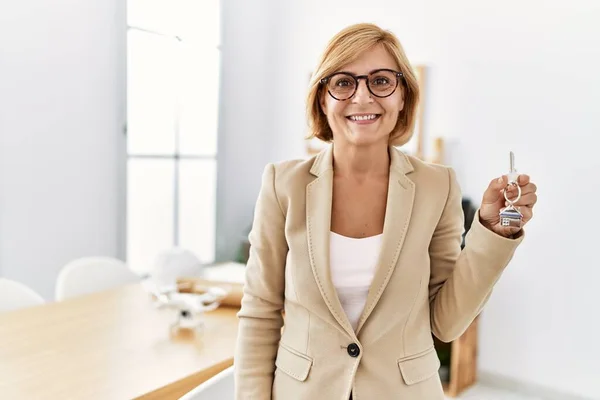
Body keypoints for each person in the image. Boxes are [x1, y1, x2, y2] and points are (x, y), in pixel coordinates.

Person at [233, 23, 537, 400]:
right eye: (343, 82)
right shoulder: (283, 184)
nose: (362, 97)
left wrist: (493, 233)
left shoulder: (437, 186)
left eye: (380, 81)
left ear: (403, 98)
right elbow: (260, 310)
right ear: (321, 99)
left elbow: (446, 322)